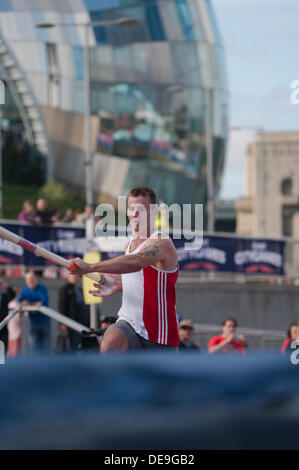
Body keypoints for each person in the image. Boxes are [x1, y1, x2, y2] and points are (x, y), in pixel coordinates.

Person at [70, 186, 179, 353]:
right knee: (109, 344)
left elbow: (136, 261)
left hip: (160, 336)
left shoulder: (161, 242)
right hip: (130, 323)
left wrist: (90, 267)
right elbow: (143, 279)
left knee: (158, 380)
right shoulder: (129, 244)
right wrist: (120, 285)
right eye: (131, 209)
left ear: (154, 212)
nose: (134, 214)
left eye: (141, 210)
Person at [18, 271, 50, 354]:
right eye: (28, 279)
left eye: (32, 278)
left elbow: (41, 303)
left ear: (36, 279)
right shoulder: (24, 289)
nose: (30, 281)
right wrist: (32, 305)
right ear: (26, 281)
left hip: (44, 321)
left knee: (46, 346)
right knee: (33, 346)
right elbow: (19, 303)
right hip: (33, 322)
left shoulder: (42, 288)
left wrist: (28, 304)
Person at [57, 273, 90, 352]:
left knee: (82, 344)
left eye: (76, 276)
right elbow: (62, 306)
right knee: (73, 345)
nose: (75, 277)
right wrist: (62, 323)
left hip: (82, 322)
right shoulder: (65, 289)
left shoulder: (80, 289)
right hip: (71, 323)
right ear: (68, 276)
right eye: (73, 275)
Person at [0, 278, 15, 352]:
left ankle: (3, 362)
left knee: (3, 347)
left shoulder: (4, 295)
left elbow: (12, 297)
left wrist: (5, 286)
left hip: (3, 325)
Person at [7, 290, 22, 358]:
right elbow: (18, 318)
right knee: (15, 347)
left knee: (11, 346)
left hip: (11, 327)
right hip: (15, 328)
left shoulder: (11, 303)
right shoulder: (16, 304)